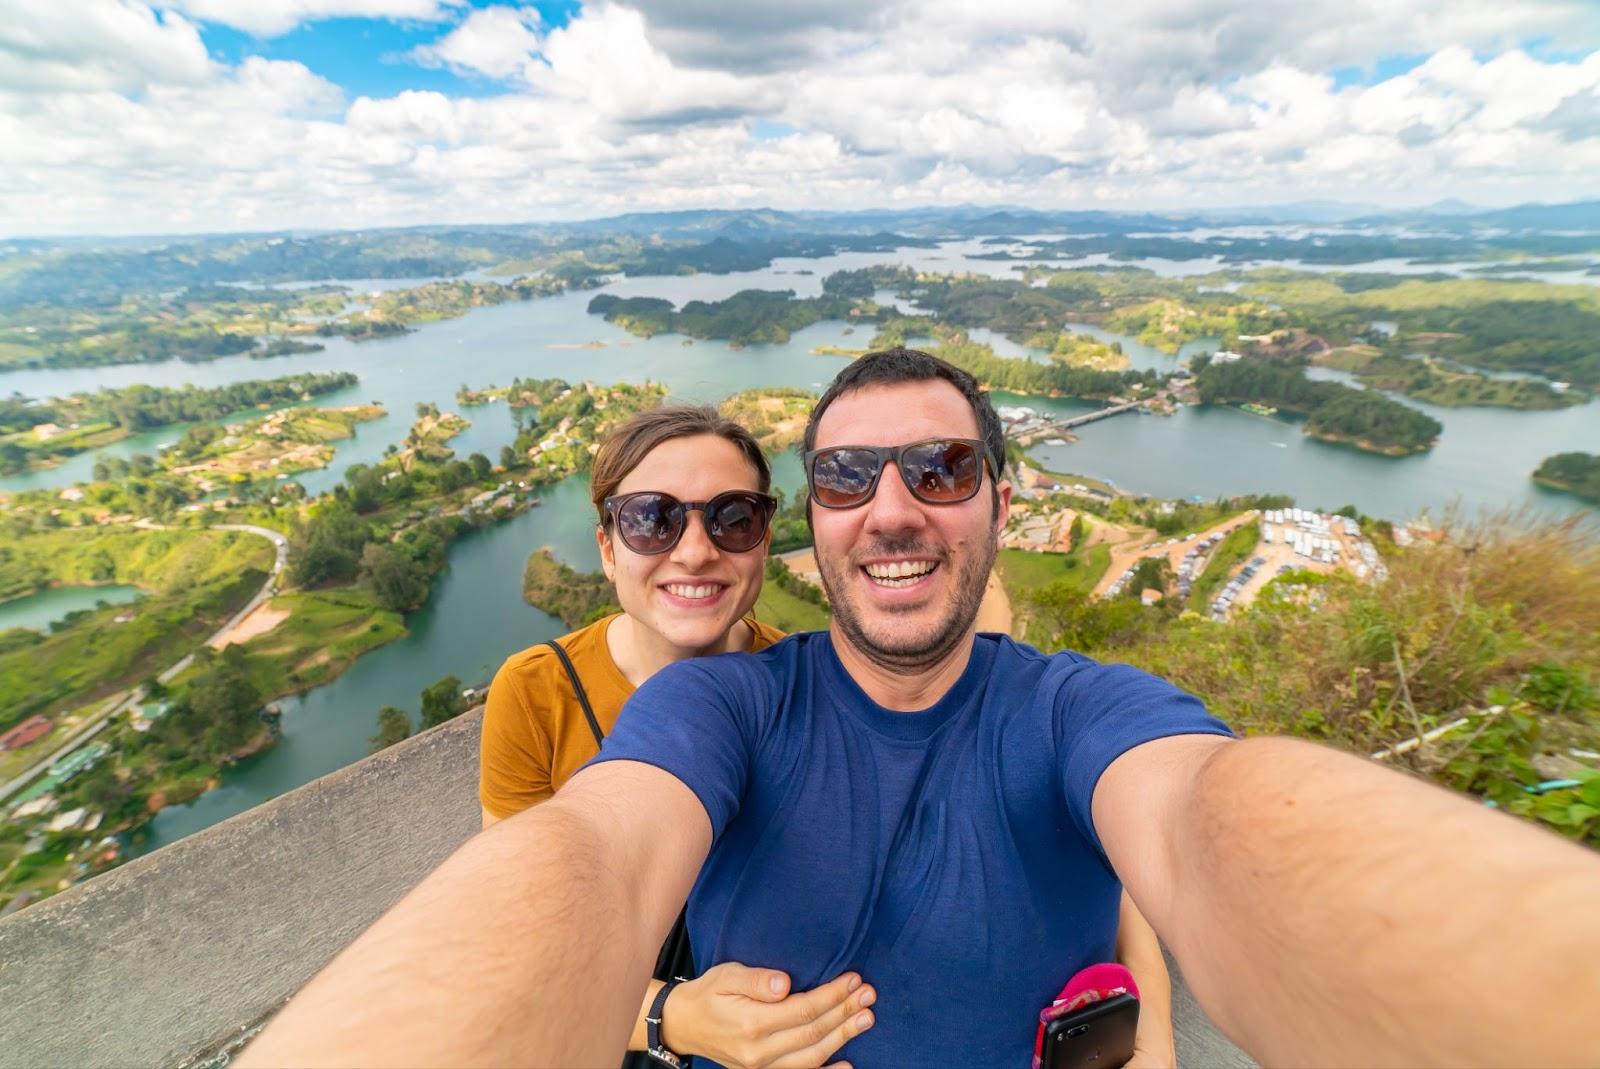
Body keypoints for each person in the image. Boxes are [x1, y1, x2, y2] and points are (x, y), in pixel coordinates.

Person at [240, 350, 1600, 1069]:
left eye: (942, 468)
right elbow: (579, 865)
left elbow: (1200, 826)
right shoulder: (722, 709)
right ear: (822, 525)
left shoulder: (1080, 707)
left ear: (1003, 504)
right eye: (850, 476)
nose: (893, 504)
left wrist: (1160, 1022)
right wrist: (661, 1018)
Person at [478, 401, 1175, 1067]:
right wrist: (676, 1017)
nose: (694, 551)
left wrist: (1153, 1025)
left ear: (767, 538)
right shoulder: (541, 692)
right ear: (606, 547)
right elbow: (512, 943)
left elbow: (1067, 807)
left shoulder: (813, 686)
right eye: (651, 520)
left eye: (733, 519)